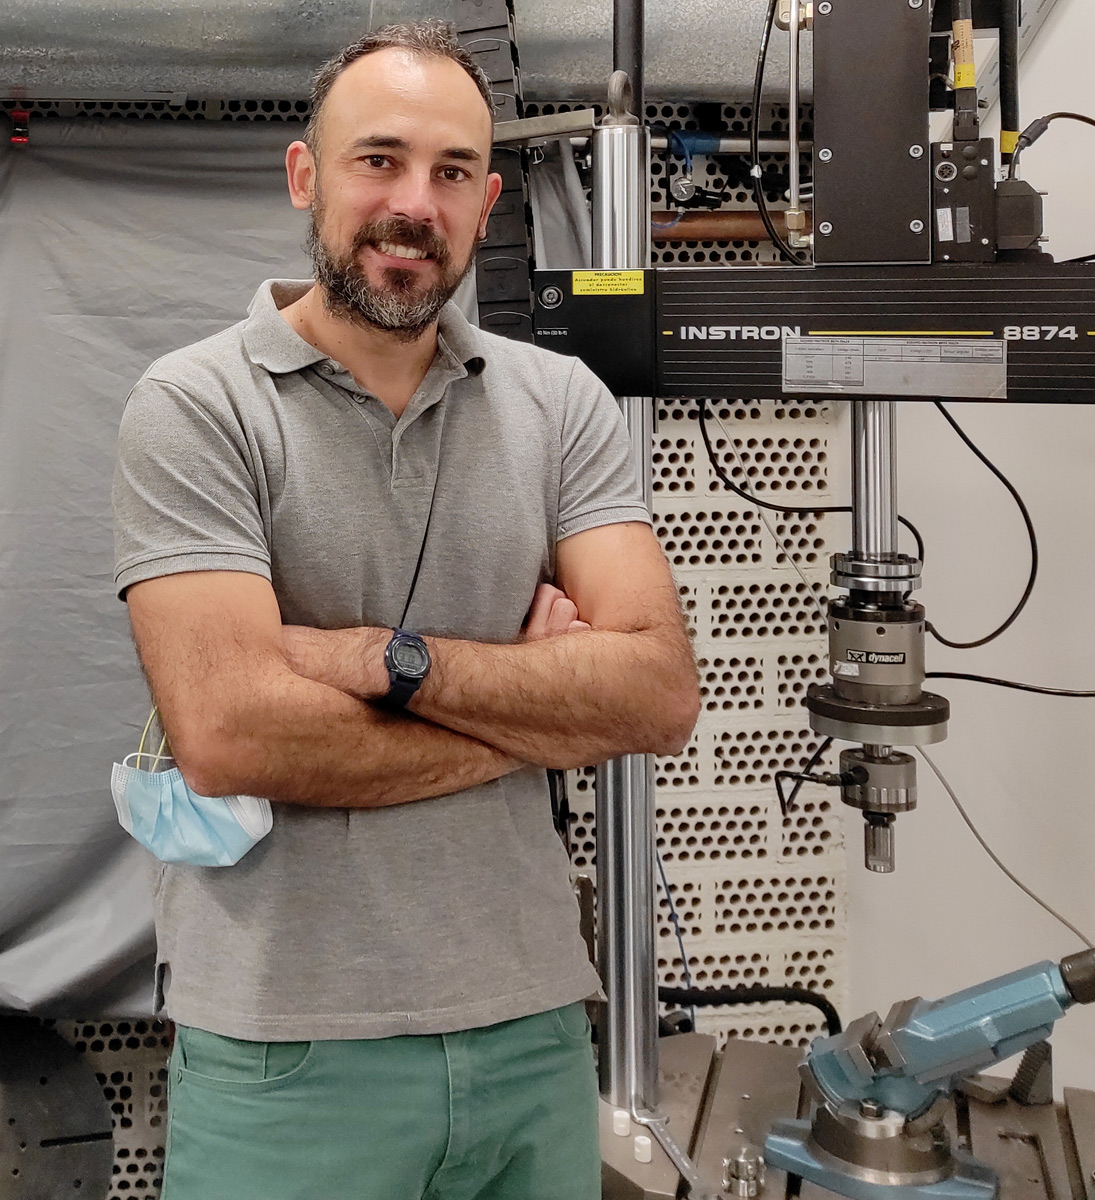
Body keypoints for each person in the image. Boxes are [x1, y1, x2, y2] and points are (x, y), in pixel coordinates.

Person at [110, 19, 700, 1200]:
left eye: (452, 172)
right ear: (305, 176)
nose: (414, 205)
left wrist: (385, 660)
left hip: (534, 1029)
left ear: (487, 204)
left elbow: (656, 695)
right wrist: (535, 719)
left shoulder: (561, 404)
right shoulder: (197, 406)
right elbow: (232, 735)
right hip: (286, 1049)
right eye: (378, 160)